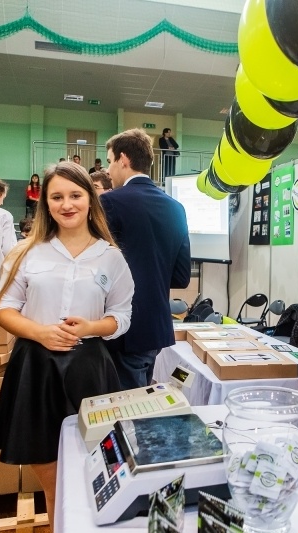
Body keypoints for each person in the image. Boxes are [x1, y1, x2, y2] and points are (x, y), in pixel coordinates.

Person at [0, 161, 133, 527]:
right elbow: (3, 309)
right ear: (45, 203)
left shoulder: (110, 257)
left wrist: (90, 326)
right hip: (36, 367)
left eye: (75, 195)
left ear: (90, 200)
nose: (66, 204)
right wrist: (39, 332)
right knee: (49, 471)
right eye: (56, 197)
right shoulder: (27, 253)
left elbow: (122, 316)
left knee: (97, 462)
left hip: (89, 369)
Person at [101, 128, 190, 389]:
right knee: (142, 401)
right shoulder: (176, 208)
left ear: (123, 160)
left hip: (121, 327)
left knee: (125, 411)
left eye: (109, 161)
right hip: (156, 328)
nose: (108, 170)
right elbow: (182, 277)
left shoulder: (110, 203)